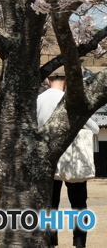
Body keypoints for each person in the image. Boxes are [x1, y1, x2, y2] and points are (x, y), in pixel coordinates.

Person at [37, 72, 99, 248]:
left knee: (50, 204)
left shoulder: (38, 100)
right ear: (66, 82)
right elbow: (94, 128)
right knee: (79, 204)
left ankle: (51, 241)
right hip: (73, 159)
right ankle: (79, 242)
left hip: (47, 158)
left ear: (48, 81)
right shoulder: (71, 100)